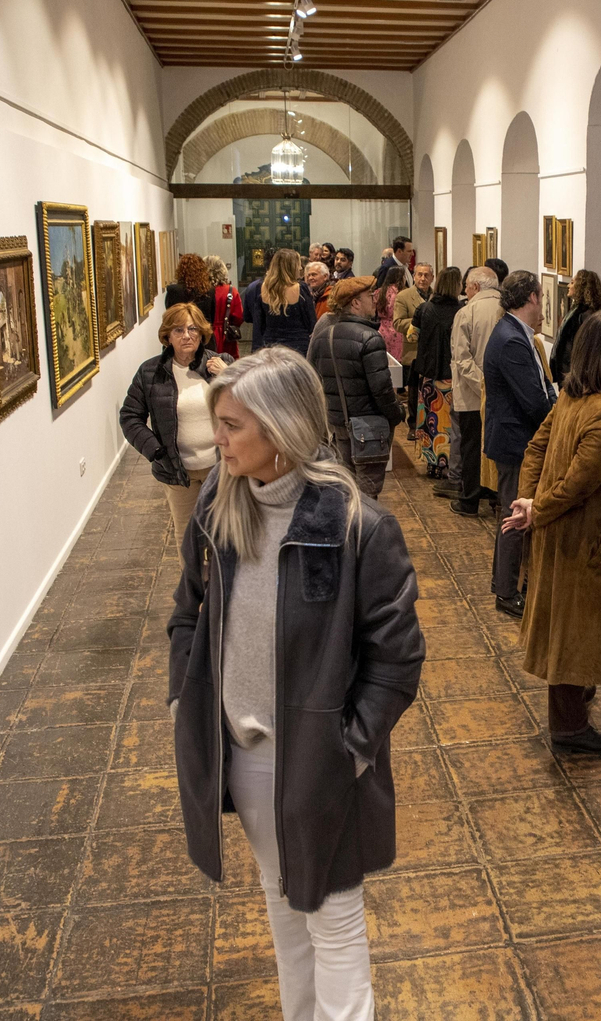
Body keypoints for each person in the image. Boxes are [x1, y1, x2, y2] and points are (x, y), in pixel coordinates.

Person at [167, 346, 424, 1021]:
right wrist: (187, 697)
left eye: (231, 425)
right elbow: (187, 613)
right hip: (243, 756)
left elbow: (397, 661)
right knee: (284, 908)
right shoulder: (218, 507)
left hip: (320, 764)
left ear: (280, 429)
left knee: (334, 922)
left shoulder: (356, 526)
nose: (217, 439)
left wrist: (350, 751)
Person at [504, 309, 601, 753]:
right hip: (587, 539)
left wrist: (529, 501)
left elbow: (535, 450)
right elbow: (578, 483)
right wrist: (537, 507)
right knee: (576, 629)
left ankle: (576, 701)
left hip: (564, 534)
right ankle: (569, 727)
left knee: (568, 623)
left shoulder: (573, 395)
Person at [119, 302, 228, 536]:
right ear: (167, 336)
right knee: (186, 536)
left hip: (220, 467)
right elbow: (130, 416)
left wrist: (229, 374)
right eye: (178, 330)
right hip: (177, 472)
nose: (187, 336)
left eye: (193, 329)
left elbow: (248, 405)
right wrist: (156, 451)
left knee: (223, 534)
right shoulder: (150, 373)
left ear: (202, 333)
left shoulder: (219, 364)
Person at [482, 271, 555, 617]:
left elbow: (540, 386)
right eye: (542, 298)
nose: (543, 306)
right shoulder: (512, 339)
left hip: (514, 439)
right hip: (516, 442)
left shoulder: (515, 332)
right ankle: (508, 592)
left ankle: (504, 583)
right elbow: (534, 400)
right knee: (515, 516)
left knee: (512, 514)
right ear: (532, 298)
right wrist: (557, 416)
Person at [307, 275, 402, 498]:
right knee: (367, 497)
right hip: (368, 428)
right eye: (369, 296)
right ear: (355, 303)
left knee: (347, 491)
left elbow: (315, 380)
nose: (374, 300)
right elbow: (382, 389)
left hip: (338, 426)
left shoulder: (323, 336)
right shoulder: (370, 338)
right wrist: (397, 414)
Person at [447, 266, 505, 517]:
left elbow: (461, 358)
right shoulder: (510, 310)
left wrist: (483, 386)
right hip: (504, 395)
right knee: (497, 447)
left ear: (476, 287)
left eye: (467, 287)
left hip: (472, 396)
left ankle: (469, 501)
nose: (465, 291)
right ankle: (497, 497)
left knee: (471, 448)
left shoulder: (466, 312)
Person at [413, 267, 462, 481]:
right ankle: (449, 463)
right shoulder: (462, 311)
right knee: (450, 423)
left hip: (429, 374)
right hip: (452, 375)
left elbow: (412, 335)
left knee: (429, 420)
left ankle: (432, 462)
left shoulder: (424, 309)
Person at [245, 248, 316, 354]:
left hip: (271, 345)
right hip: (298, 346)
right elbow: (311, 322)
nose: (300, 268)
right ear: (290, 267)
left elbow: (259, 323)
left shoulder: (263, 288)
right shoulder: (301, 289)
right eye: (298, 264)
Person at [395, 262, 434, 434]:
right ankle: (413, 424)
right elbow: (398, 323)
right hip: (413, 350)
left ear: (432, 278)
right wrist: (419, 321)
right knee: (413, 390)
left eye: (426, 275)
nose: (423, 278)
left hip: (433, 350)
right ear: (414, 276)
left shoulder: (437, 296)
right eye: (419, 274)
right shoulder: (404, 296)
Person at [549, 269, 601, 382]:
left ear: (582, 286)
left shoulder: (587, 315)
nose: (568, 286)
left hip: (574, 373)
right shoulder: (576, 310)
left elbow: (586, 348)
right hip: (567, 370)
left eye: (572, 282)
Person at [204, 255, 243, 359]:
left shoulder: (201, 292)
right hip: (226, 337)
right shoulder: (231, 291)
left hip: (206, 335)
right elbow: (239, 317)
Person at [164, 253, 214, 326]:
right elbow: (212, 316)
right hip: (202, 329)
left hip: (180, 328)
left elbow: (169, 315)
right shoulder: (209, 291)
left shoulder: (173, 290)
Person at [373, 267, 407, 364]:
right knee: (397, 362)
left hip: (382, 328)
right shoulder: (402, 293)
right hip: (397, 329)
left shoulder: (379, 292)